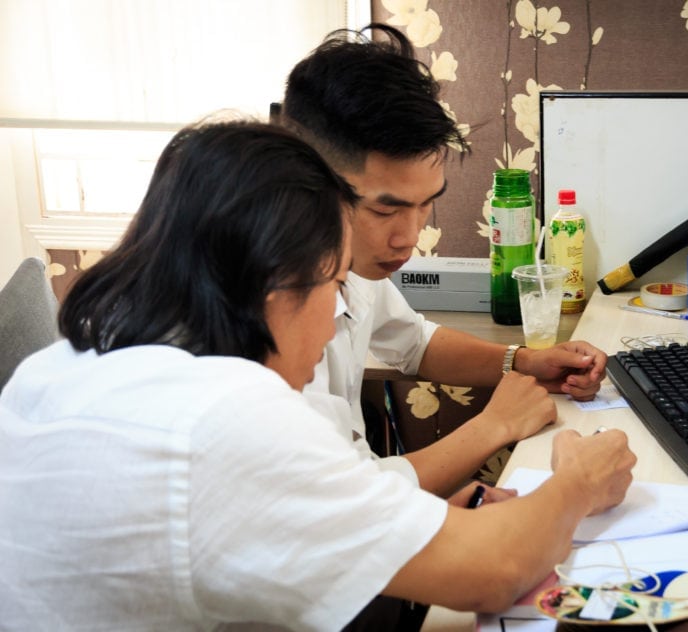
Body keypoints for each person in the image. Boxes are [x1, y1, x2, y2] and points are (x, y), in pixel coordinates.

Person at [0, 120, 637, 630]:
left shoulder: (63, 366)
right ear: (275, 286)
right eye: (334, 287)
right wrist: (579, 483)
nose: (336, 324)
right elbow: (495, 571)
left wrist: (407, 525)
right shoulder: (228, 417)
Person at [281, 24, 610, 498]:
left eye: (426, 204)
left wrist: (526, 361)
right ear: (306, 181)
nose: (409, 237)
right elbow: (340, 503)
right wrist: (495, 426)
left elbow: (413, 342)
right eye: (385, 211)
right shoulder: (268, 318)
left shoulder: (353, 258)